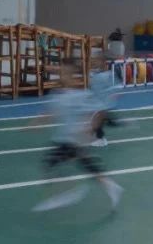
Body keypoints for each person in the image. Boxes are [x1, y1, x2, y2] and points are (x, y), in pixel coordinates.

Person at [31, 62, 123, 213]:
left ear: (73, 77)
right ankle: (111, 187)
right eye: (61, 73)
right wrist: (36, 123)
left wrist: (90, 129)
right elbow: (50, 112)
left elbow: (100, 111)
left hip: (71, 140)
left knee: (49, 165)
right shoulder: (58, 94)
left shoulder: (80, 95)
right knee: (88, 165)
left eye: (65, 73)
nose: (62, 76)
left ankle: (66, 195)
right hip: (65, 139)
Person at [89, 54, 119, 147]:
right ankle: (115, 122)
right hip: (97, 102)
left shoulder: (107, 75)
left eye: (97, 60)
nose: (95, 62)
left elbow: (114, 87)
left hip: (103, 103)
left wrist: (112, 95)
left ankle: (101, 139)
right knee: (100, 120)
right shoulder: (94, 73)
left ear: (102, 62)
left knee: (96, 121)